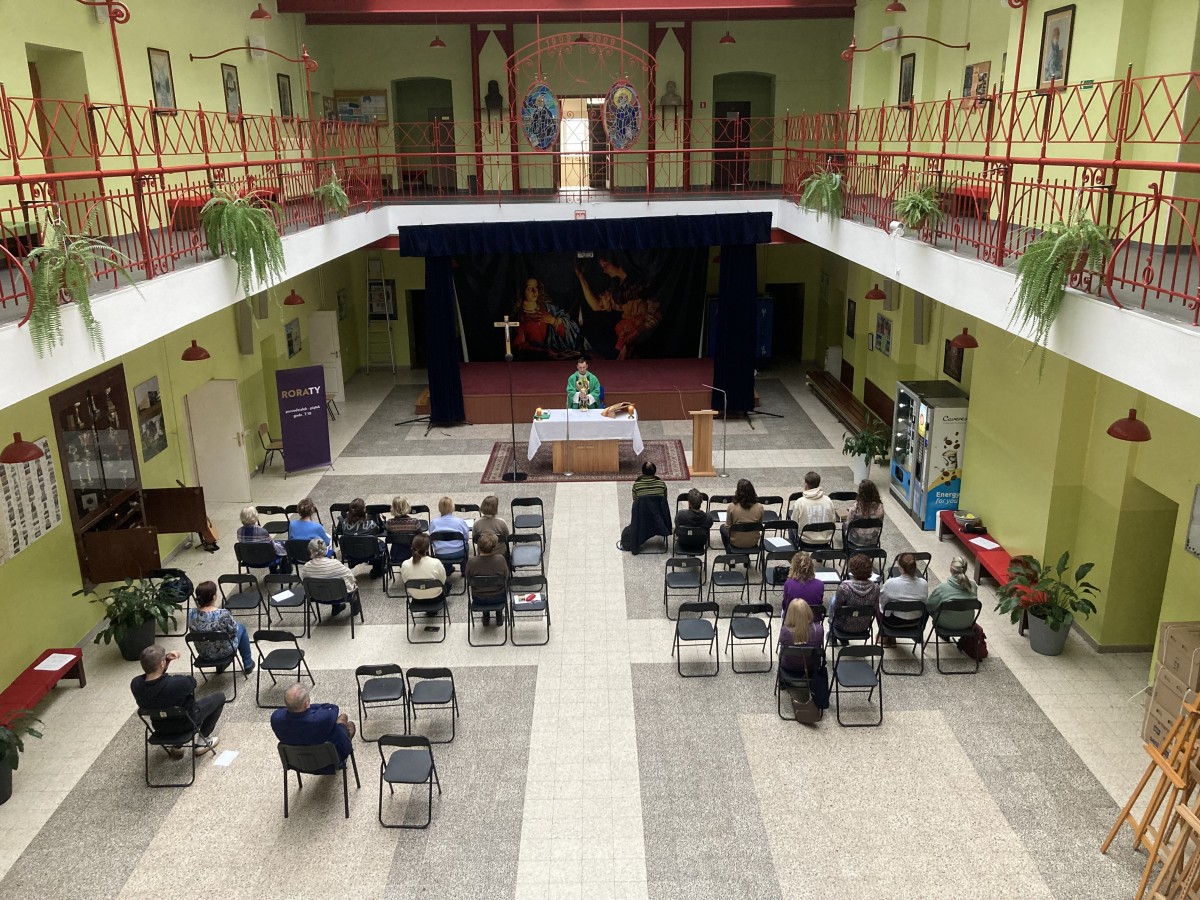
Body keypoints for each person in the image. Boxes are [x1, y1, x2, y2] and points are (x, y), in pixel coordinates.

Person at [131, 644, 222, 758]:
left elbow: (152, 678)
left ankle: (177, 746)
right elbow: (192, 682)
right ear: (162, 664)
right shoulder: (178, 683)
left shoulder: (136, 685)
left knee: (170, 710)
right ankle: (202, 742)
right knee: (219, 697)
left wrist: (164, 662)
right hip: (186, 724)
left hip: (160, 728)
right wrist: (165, 662)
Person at [270, 682, 355, 773]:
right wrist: (310, 707)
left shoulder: (276, 718)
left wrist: (298, 706)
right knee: (347, 721)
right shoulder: (322, 718)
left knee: (339, 721)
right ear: (306, 703)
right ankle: (346, 731)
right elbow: (333, 707)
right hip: (331, 761)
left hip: (297, 762)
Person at [188, 580, 255, 675]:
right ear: (214, 597)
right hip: (224, 652)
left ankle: (220, 667)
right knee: (241, 628)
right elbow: (233, 631)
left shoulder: (191, 613)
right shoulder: (223, 614)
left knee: (213, 637)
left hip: (204, 653)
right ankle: (248, 664)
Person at [513, 277, 580, 359]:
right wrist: (542, 352)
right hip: (536, 360)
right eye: (529, 288)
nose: (535, 291)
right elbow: (518, 346)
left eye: (536, 287)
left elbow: (569, 332)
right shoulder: (519, 317)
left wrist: (553, 321)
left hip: (556, 356)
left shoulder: (549, 309)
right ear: (522, 291)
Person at [300, 538, 361, 617]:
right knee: (344, 584)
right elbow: (350, 577)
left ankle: (336, 608)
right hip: (340, 596)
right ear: (325, 549)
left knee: (329, 583)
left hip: (317, 596)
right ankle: (354, 609)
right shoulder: (335, 563)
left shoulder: (306, 567)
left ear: (311, 551)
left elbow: (305, 584)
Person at [878, 552, 930, 645]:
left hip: (893, 623)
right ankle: (918, 636)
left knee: (876, 603)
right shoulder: (923, 583)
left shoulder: (890, 583)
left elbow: (882, 603)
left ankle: (884, 636)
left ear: (900, 568)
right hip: (915, 622)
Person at [829, 553, 879, 644]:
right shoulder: (876, 588)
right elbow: (875, 608)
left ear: (851, 570)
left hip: (842, 626)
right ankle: (841, 639)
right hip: (863, 626)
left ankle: (832, 636)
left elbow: (836, 609)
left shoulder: (844, 587)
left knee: (833, 600)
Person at [466, 532, 510, 625]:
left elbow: (468, 578)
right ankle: (499, 615)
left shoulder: (472, 561)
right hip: (498, 597)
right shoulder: (500, 559)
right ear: (494, 547)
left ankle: (486, 616)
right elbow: (506, 577)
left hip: (478, 598)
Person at [927, 556, 979, 631]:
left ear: (951, 568)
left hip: (946, 624)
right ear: (965, 569)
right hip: (967, 623)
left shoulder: (942, 587)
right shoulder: (973, 585)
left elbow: (930, 605)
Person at [340, 497, 385, 578]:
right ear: (364, 510)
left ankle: (354, 561)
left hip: (350, 553)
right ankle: (377, 570)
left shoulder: (344, 524)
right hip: (370, 554)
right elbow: (379, 530)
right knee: (381, 544)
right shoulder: (370, 524)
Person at [236, 506, 289, 573]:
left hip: (248, 560)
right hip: (266, 560)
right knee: (283, 548)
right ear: (255, 517)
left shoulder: (239, 531)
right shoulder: (263, 532)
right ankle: (283, 572)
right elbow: (273, 548)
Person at [400, 533, 448, 602]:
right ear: (427, 548)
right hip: (435, 597)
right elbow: (443, 580)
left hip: (416, 597)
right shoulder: (436, 563)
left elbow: (405, 581)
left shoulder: (405, 564)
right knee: (447, 584)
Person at [429, 496, 470, 575]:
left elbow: (431, 537)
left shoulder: (434, 523)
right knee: (466, 546)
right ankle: (464, 570)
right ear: (452, 508)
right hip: (458, 552)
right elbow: (466, 537)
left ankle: (447, 569)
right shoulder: (459, 521)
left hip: (440, 553)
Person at [721, 478, 764, 552]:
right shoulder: (760, 507)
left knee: (722, 528)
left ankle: (729, 553)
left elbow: (728, 526)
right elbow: (760, 525)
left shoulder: (732, 507)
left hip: (735, 542)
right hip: (753, 542)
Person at [781, 551, 825, 617]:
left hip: (793, 619)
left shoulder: (789, 583)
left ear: (794, 567)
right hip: (813, 618)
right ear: (811, 567)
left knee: (783, 612)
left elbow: (785, 606)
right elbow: (819, 602)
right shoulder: (820, 584)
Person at [843, 479, 884, 549]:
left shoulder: (855, 508)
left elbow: (848, 523)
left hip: (855, 540)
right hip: (872, 540)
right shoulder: (880, 508)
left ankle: (846, 550)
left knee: (844, 525)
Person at [385, 495, 423, 566]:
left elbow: (388, 535)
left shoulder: (390, 523)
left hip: (396, 555)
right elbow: (421, 537)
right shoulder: (415, 522)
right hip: (413, 555)